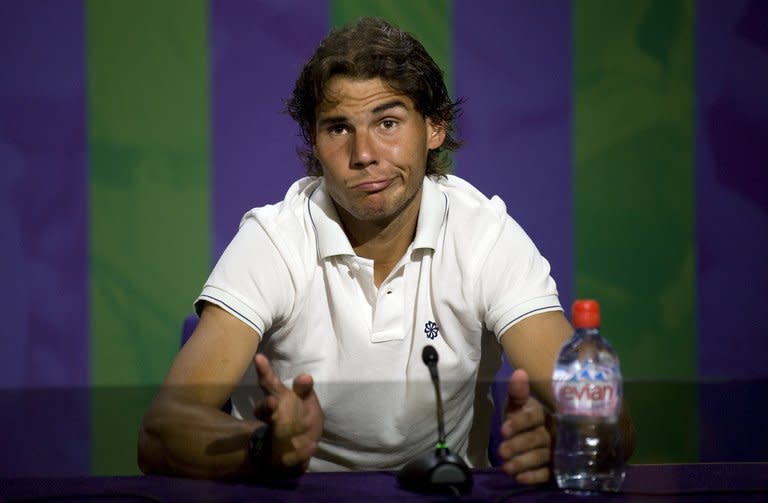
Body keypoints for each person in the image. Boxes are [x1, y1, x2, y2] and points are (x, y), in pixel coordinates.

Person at [138, 17, 634, 484]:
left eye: (388, 122)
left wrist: (573, 439)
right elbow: (159, 434)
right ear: (314, 139)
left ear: (434, 128)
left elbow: (608, 420)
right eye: (338, 128)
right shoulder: (275, 238)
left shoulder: (484, 234)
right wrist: (263, 447)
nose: (364, 154)